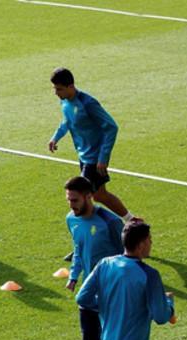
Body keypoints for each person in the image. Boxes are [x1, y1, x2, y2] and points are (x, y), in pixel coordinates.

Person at [75, 221, 175, 340]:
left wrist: (105, 305)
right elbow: (161, 316)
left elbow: (82, 298)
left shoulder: (105, 264)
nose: (151, 244)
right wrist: (169, 303)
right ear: (142, 243)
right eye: (150, 240)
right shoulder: (149, 274)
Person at [48, 68, 138, 233]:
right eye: (54, 88)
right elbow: (66, 121)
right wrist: (56, 137)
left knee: (80, 198)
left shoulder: (88, 104)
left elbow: (111, 127)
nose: (56, 93)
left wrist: (103, 158)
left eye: (59, 89)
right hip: (84, 155)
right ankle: (132, 222)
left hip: (94, 159)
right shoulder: (65, 101)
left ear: (71, 86)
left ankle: (85, 237)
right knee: (99, 195)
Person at [64, 175, 125, 340]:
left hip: (112, 290)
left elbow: (125, 256)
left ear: (89, 196)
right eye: (69, 200)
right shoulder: (71, 219)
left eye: (75, 200)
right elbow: (78, 248)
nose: (71, 205)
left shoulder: (110, 222)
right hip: (90, 289)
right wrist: (74, 275)